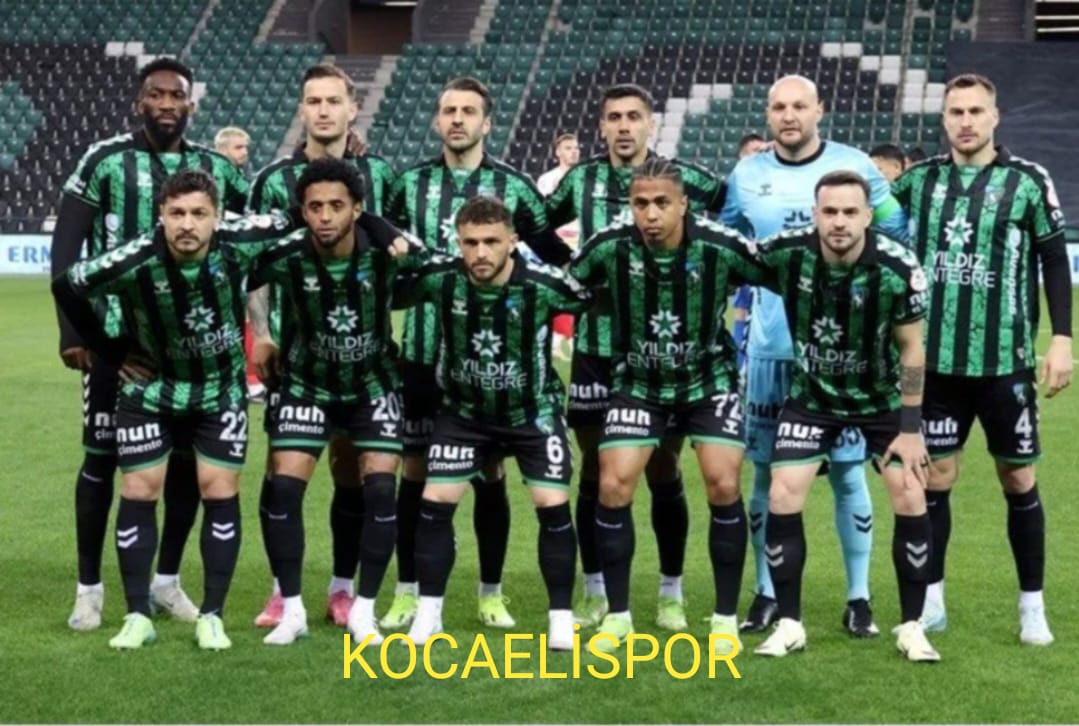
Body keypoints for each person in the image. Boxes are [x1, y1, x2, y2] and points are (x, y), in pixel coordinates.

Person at [52, 170, 301, 649]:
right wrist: (110, 349)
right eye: (177, 213)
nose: (188, 224)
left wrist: (379, 229)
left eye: (199, 213)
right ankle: (137, 616)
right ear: (161, 215)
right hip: (151, 389)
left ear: (217, 216)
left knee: (219, 490)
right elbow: (69, 285)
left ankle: (212, 617)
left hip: (218, 390)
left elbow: (301, 214)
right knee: (138, 489)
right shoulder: (137, 258)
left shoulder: (241, 237)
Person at [50, 57, 249, 632]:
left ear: (191, 104)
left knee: (187, 468)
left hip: (191, 352)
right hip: (117, 346)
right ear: (140, 102)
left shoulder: (216, 167)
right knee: (101, 459)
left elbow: (256, 228)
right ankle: (89, 588)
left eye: (176, 95)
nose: (165, 104)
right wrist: (79, 336)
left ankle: (166, 581)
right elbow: (67, 249)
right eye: (155, 95)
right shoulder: (105, 160)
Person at [381, 76, 572, 632]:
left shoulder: (514, 187)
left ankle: (491, 592)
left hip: (497, 364)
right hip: (423, 356)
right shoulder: (408, 185)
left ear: (487, 122)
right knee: (416, 474)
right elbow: (383, 247)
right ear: (437, 120)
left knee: (492, 474)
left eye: (469, 111)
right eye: (449, 111)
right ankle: (408, 592)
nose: (458, 119)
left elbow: (551, 252)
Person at [720, 74, 908, 637]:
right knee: (765, 476)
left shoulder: (854, 165)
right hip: (770, 351)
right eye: (778, 106)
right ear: (768, 112)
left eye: (799, 105)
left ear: (819, 110)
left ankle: (859, 598)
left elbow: (896, 226)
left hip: (843, 357)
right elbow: (727, 245)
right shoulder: (746, 175)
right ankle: (767, 593)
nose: (789, 115)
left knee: (849, 475)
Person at [892, 73, 1072, 645]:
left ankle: (1031, 606)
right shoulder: (918, 182)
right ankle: (932, 600)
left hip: (1005, 363)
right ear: (943, 119)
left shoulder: (1027, 181)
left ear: (995, 117)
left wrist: (1062, 339)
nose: (965, 121)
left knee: (1018, 477)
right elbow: (873, 230)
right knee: (935, 477)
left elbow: (1053, 260)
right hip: (936, 365)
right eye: (955, 112)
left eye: (975, 111)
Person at [548, 84, 727, 630]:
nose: (623, 126)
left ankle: (671, 590)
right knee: (597, 472)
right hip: (596, 349)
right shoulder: (579, 179)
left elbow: (729, 212)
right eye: (613, 118)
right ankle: (595, 590)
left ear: (651, 124)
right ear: (601, 126)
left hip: (661, 355)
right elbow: (535, 225)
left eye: (633, 116)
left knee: (663, 467)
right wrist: (578, 269)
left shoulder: (686, 177)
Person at [569, 158, 764, 654]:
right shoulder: (610, 245)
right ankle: (618, 617)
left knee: (723, 483)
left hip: (708, 381)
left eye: (661, 203)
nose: (650, 214)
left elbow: (780, 273)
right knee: (612, 485)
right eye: (640, 204)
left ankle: (723, 619)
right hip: (638, 383)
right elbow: (563, 289)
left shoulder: (720, 246)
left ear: (683, 204)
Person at [751, 170, 939, 662]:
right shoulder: (787, 252)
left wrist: (911, 429)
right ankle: (790, 624)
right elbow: (728, 261)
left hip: (880, 400)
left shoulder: (898, 268)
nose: (839, 222)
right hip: (811, 398)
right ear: (815, 214)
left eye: (850, 212)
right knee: (782, 491)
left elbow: (912, 349)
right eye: (830, 211)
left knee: (910, 492)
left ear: (868, 216)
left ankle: (912, 626)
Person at [247, 63, 399, 630]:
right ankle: (281, 592)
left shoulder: (380, 174)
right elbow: (256, 264)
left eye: (334, 100)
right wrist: (263, 332)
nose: (324, 110)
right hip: (298, 357)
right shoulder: (273, 179)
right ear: (302, 110)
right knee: (282, 470)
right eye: (314, 101)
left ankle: (342, 589)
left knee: (350, 471)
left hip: (364, 360)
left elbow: (393, 247)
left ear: (352, 108)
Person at [402, 195, 592, 649]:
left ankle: (560, 618)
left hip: (532, 413)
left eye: (491, 241)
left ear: (513, 241)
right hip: (463, 414)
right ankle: (428, 613)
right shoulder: (441, 278)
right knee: (435, 501)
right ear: (458, 243)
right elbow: (390, 277)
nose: (481, 252)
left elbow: (598, 300)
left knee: (552, 505)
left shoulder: (544, 285)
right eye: (471, 243)